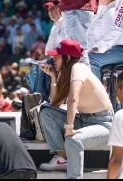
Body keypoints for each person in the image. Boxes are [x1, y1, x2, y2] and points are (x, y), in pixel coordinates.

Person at [38, 39, 114, 177]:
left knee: (73, 140)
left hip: (103, 124)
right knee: (46, 113)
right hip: (84, 119)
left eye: (57, 56)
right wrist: (53, 77)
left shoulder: (78, 67)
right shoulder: (66, 73)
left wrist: (69, 127)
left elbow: (73, 99)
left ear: (67, 58)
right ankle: (63, 159)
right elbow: (54, 103)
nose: (53, 59)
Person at [25, 0, 63, 96]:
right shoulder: (56, 24)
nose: (49, 11)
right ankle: (38, 97)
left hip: (59, 60)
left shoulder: (64, 22)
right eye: (49, 9)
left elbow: (60, 47)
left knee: (37, 70)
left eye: (52, 8)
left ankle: (41, 97)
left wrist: (46, 58)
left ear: (60, 8)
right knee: (31, 73)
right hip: (51, 58)